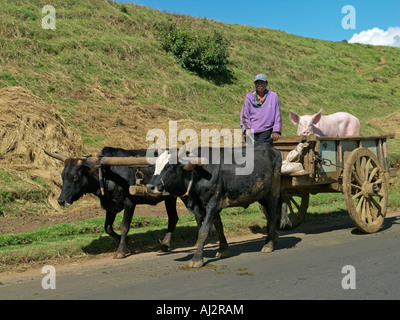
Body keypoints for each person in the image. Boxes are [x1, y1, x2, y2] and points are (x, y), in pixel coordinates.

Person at [240, 73, 282, 144]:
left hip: (266, 130)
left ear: (266, 83)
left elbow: (278, 115)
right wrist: (247, 129)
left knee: (261, 149)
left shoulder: (273, 96)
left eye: (262, 82)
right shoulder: (249, 97)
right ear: (254, 84)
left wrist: (276, 131)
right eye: (257, 83)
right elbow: (244, 115)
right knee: (250, 151)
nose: (260, 85)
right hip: (252, 131)